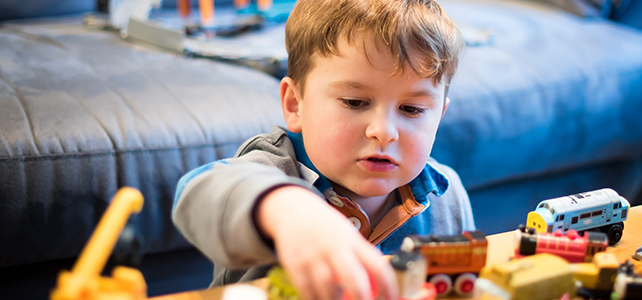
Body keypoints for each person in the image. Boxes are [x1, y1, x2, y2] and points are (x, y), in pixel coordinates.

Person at [172, 0, 474, 299]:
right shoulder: (272, 167)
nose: (383, 131)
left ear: (439, 116)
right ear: (294, 105)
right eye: (355, 102)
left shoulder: (447, 198)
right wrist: (284, 208)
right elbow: (197, 195)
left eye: (411, 109)